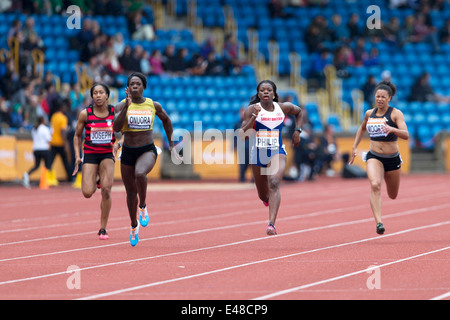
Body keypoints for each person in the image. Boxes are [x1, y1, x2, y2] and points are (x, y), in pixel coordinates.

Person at [113, 72, 182, 246]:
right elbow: (116, 128)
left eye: (138, 84)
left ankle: (143, 206)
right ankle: (133, 225)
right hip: (128, 151)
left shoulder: (153, 105)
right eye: (132, 84)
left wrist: (171, 144)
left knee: (140, 173)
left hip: (147, 149)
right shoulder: (121, 106)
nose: (135, 86)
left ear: (144, 87)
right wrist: (127, 107)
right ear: (127, 88)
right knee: (130, 193)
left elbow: (167, 120)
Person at [240, 80, 303, 235]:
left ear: (274, 94)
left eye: (269, 90)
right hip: (258, 154)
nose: (266, 92)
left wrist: (297, 131)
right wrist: (253, 117)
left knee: (274, 182)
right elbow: (243, 136)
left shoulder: (283, 108)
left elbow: (299, 112)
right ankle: (267, 199)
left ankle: (271, 224)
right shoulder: (251, 110)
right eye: (262, 90)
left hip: (277, 151)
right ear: (258, 94)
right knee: (263, 194)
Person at [349, 80, 409, 235]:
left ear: (389, 98)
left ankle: (381, 216)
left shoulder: (396, 114)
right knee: (375, 185)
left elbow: (406, 135)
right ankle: (379, 222)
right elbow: (361, 129)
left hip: (392, 158)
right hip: (374, 156)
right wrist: (355, 147)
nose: (380, 99)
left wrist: (392, 129)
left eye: (383, 97)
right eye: (377, 96)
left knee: (392, 194)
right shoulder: (369, 113)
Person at [72, 83, 119, 240]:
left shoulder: (114, 112)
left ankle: (102, 228)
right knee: (87, 192)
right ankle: (97, 178)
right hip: (90, 154)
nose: (98, 95)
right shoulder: (85, 114)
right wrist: (78, 156)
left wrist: (118, 144)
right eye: (95, 93)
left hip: (107, 154)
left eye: (101, 92)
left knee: (106, 190)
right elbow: (77, 136)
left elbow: (126, 132)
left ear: (107, 95)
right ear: (92, 96)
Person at [23, 116, 52, 188]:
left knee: (36, 165)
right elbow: (49, 139)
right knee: (47, 165)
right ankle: (44, 180)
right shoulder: (45, 129)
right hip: (44, 149)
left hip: (36, 149)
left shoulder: (34, 128)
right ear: (43, 120)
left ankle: (27, 174)